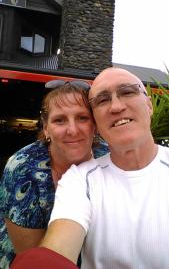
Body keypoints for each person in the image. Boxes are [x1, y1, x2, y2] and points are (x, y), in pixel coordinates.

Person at [10, 67, 169, 269]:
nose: (116, 106)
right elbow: (52, 253)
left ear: (149, 105)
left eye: (128, 91)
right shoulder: (77, 180)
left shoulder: (98, 154)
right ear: (46, 127)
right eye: (103, 100)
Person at [0, 79, 109, 269]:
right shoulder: (22, 168)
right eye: (60, 120)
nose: (72, 130)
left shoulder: (108, 158)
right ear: (46, 127)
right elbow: (31, 253)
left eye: (82, 118)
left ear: (95, 125)